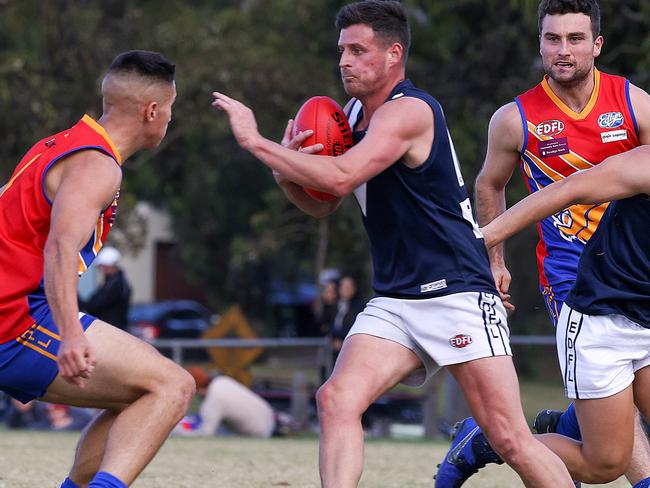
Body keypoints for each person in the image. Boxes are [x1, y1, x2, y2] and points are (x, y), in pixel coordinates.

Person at [212, 2, 574, 487]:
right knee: (336, 399)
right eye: (341, 49)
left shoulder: (410, 111)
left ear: (392, 55)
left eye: (358, 50)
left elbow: (341, 177)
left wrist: (256, 142)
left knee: (509, 437)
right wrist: (285, 177)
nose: (344, 60)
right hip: (397, 298)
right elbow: (325, 204)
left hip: (457, 292)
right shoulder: (353, 116)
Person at [464, 0, 650, 485]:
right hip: (572, 279)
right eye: (552, 39)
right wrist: (493, 258)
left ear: (597, 45)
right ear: (540, 44)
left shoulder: (634, 103)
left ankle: (532, 432)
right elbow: (489, 185)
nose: (563, 51)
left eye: (574, 39)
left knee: (608, 417)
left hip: (638, 276)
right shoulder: (515, 119)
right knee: (615, 438)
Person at [0, 50, 195, 488]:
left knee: (142, 391)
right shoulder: (98, 164)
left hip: (18, 310)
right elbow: (60, 248)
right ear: (151, 111)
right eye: (170, 108)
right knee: (172, 387)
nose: (169, 119)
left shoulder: (59, 144)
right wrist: (71, 334)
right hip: (15, 320)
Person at [469, 143, 650, 484]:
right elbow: (569, 189)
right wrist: (478, 244)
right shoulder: (646, 165)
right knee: (605, 465)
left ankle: (550, 430)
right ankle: (493, 443)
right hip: (602, 323)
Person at [176, 366, 276, 438]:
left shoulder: (213, 400)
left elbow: (206, 433)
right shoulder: (222, 380)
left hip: (260, 432)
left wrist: (177, 432)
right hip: (270, 417)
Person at [79, 246, 132, 330]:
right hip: (112, 330)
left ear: (110, 265)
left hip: (113, 331)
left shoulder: (116, 285)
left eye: (102, 266)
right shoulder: (114, 282)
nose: (101, 269)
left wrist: (75, 296)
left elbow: (94, 306)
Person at [328, 276, 364, 357]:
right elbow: (327, 323)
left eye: (347, 287)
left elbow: (354, 326)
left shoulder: (359, 307)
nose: (344, 290)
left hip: (350, 347)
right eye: (342, 286)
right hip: (334, 348)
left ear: (354, 289)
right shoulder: (336, 305)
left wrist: (341, 339)